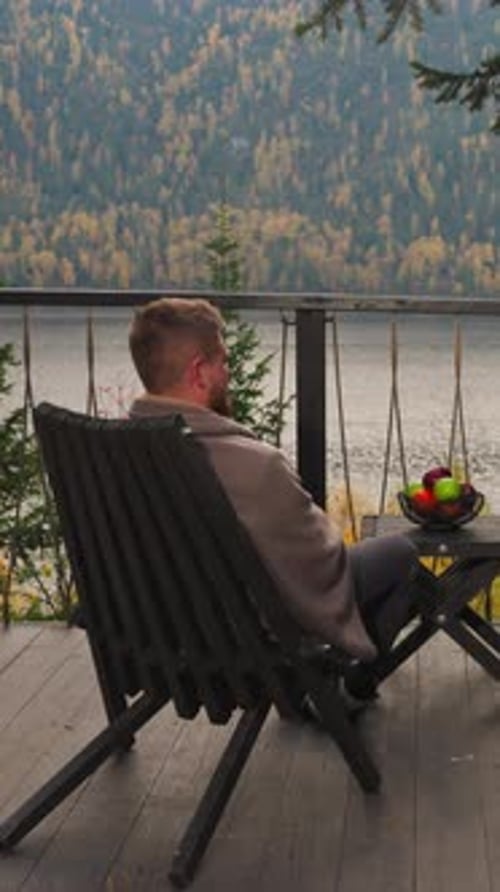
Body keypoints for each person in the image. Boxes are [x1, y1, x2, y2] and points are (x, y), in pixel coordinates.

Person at [128, 297, 420, 712]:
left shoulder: (121, 454)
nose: (228, 373)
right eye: (223, 362)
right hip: (245, 640)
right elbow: (320, 560)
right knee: (400, 553)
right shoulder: (251, 466)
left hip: (158, 635)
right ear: (199, 372)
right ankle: (346, 686)